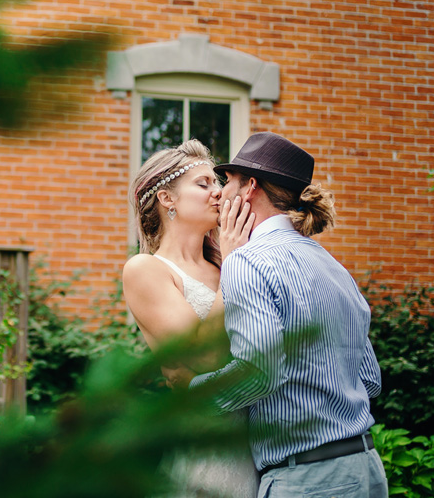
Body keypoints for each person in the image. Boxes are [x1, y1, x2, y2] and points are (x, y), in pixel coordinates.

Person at [190, 131, 388, 497]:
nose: (221, 191)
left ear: (250, 187)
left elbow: (259, 373)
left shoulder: (247, 261)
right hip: (366, 469)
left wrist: (191, 395)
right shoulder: (334, 266)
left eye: (227, 180)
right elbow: (370, 379)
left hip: (306, 480)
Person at [122, 138, 258, 498]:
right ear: (167, 199)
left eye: (217, 183)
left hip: (261, 444)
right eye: (204, 184)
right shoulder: (145, 270)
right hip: (206, 447)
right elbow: (205, 358)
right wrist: (234, 264)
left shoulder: (224, 263)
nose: (219, 193)